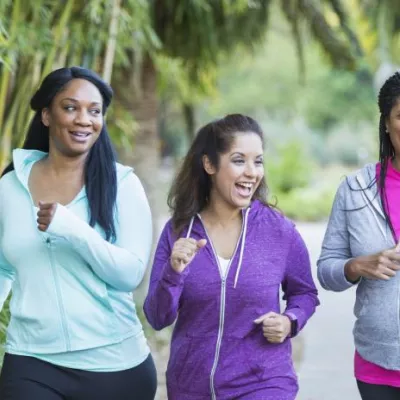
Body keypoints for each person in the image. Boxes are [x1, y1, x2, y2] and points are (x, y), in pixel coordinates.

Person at [0, 66, 157, 400]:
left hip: (115, 365)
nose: (84, 119)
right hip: (31, 360)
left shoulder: (123, 186)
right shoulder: (9, 188)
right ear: (46, 115)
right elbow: (2, 267)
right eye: (70, 107)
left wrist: (72, 229)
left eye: (94, 110)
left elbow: (130, 273)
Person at [144, 114, 319, 400]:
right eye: (239, 160)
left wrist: (290, 320)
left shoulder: (277, 230)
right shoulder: (179, 232)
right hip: (190, 388)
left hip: (263, 383)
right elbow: (157, 316)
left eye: (258, 161)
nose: (252, 172)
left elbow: (305, 293)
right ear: (209, 164)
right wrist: (173, 272)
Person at [317, 71, 400, 400]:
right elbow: (326, 270)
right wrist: (357, 266)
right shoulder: (355, 190)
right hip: (376, 365)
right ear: (387, 124)